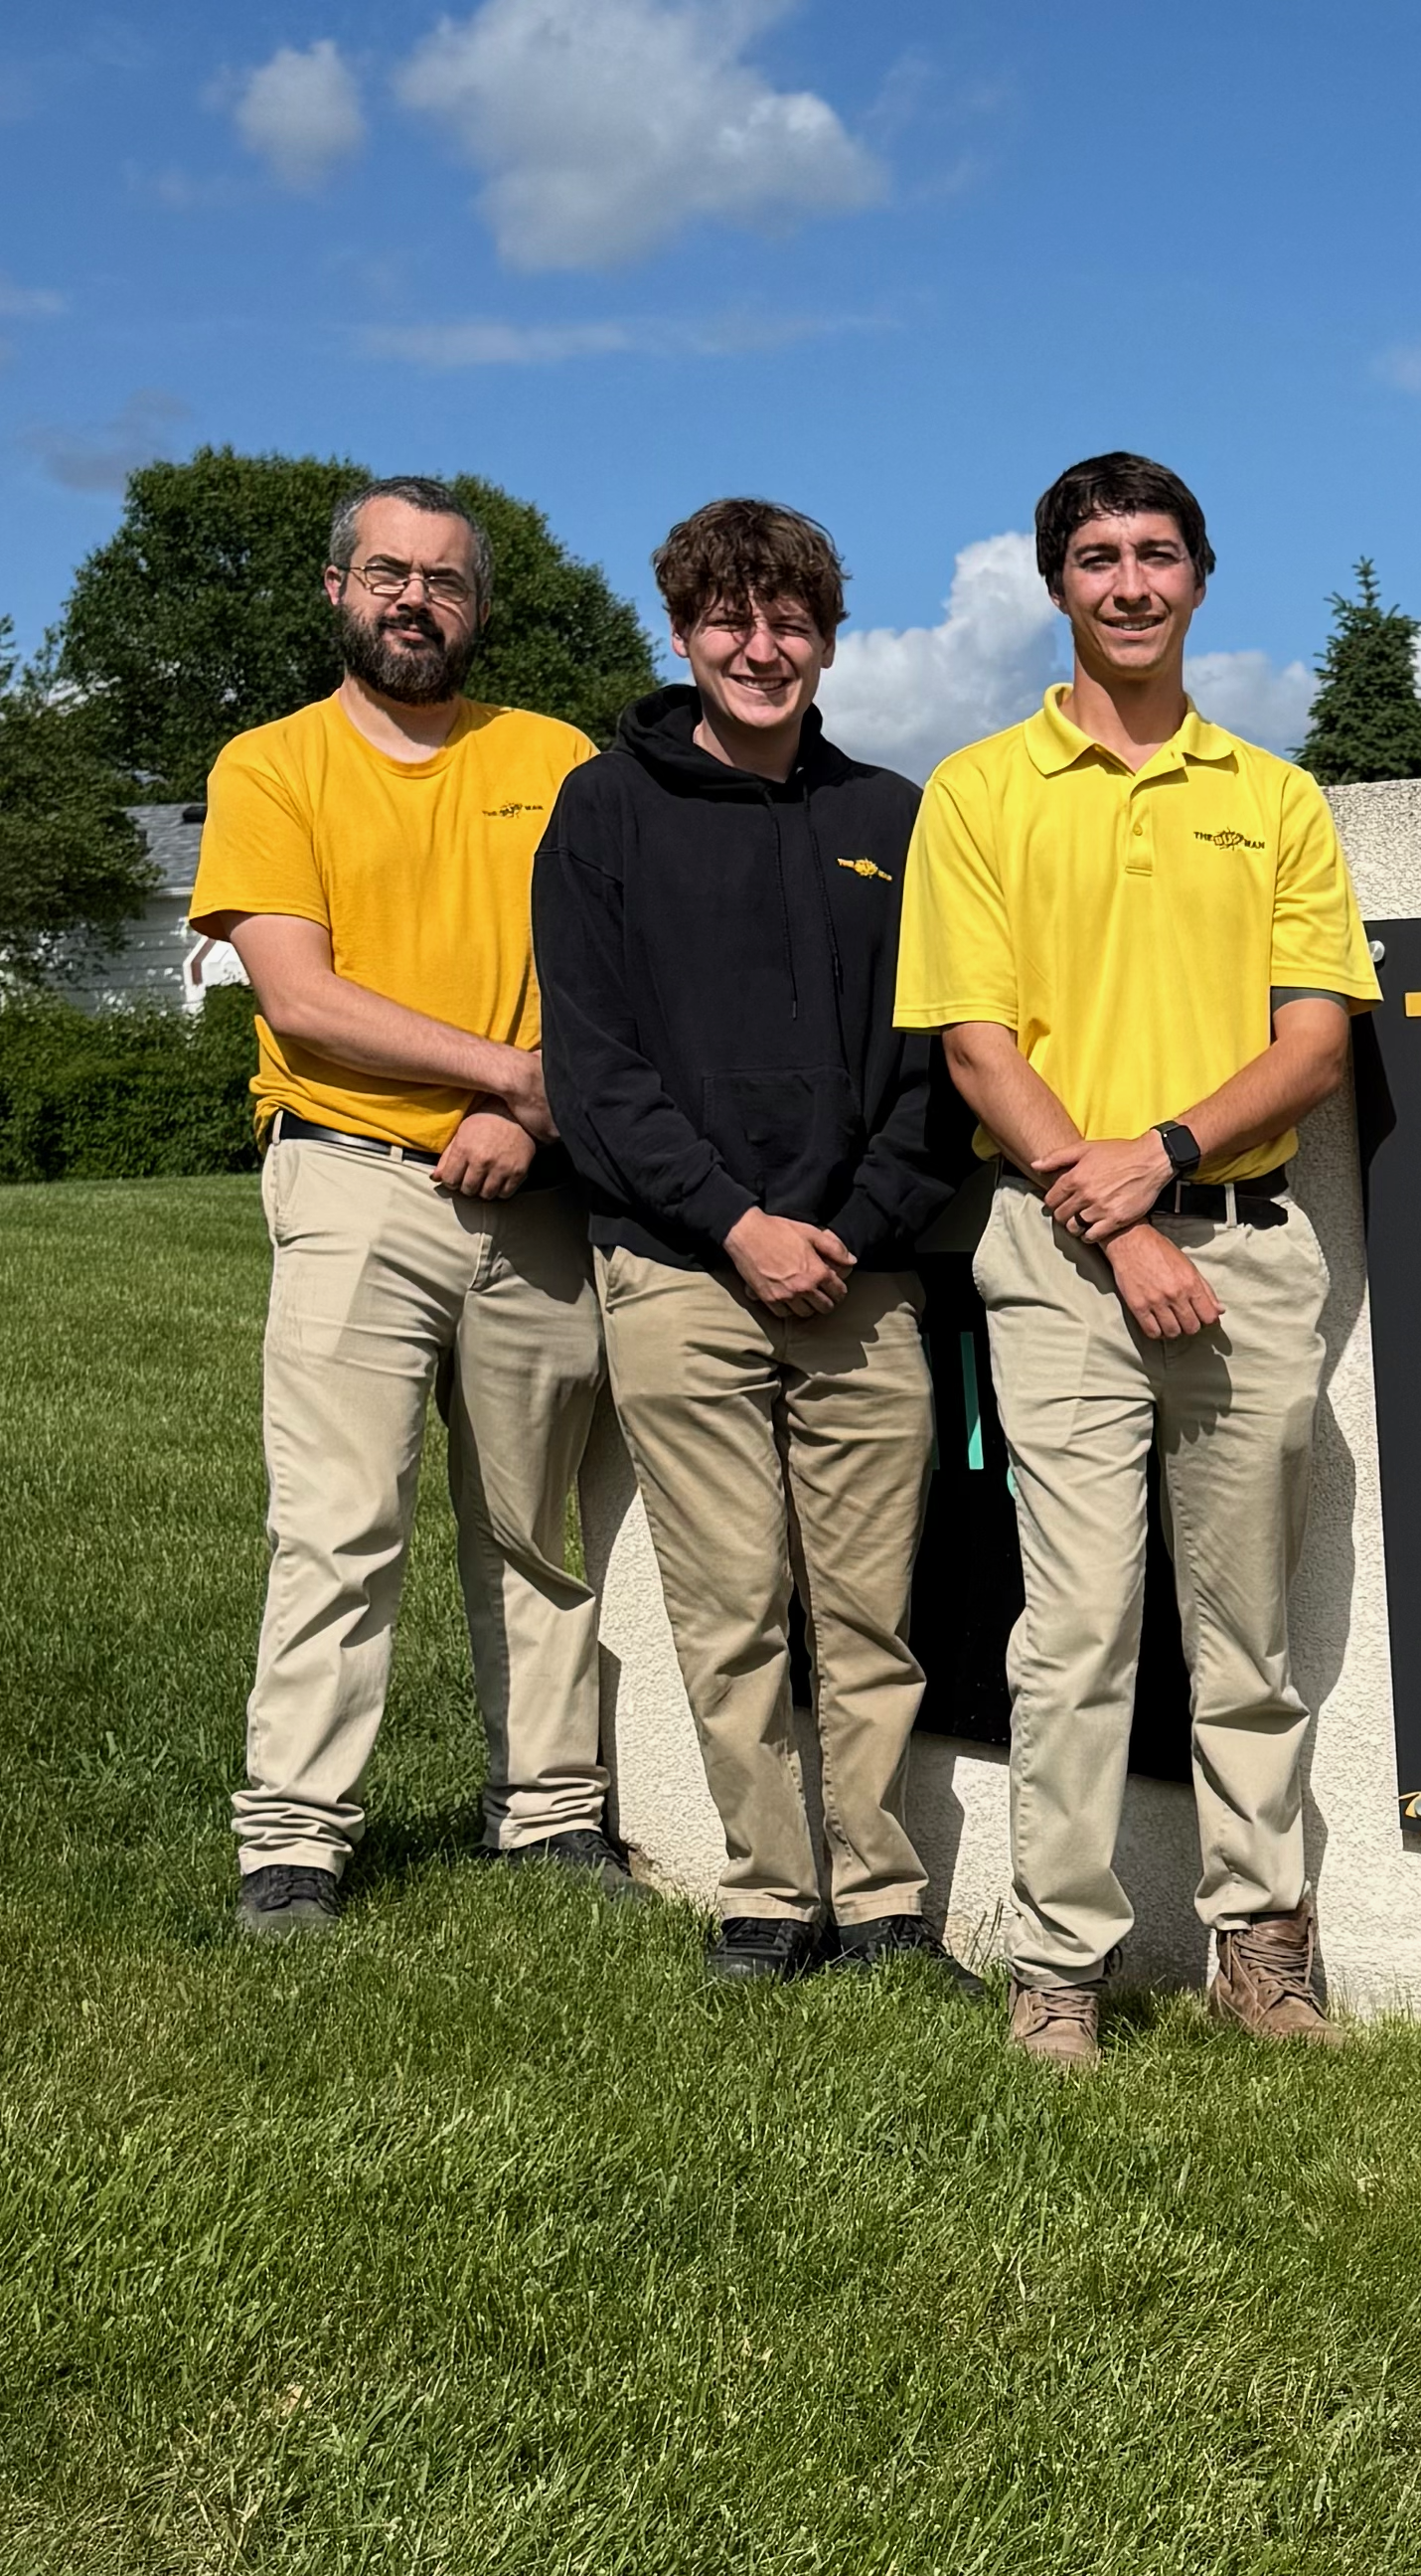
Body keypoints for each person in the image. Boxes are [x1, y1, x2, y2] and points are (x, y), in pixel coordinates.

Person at [894, 451, 1378, 2065]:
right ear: (1056, 585)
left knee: (1246, 1644)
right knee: (1079, 1631)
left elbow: (1312, 1046)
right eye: (1095, 556)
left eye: (1156, 554)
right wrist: (1107, 1211)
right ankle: (1060, 1969)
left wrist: (1162, 1163)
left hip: (1240, 1246)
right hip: (1051, 1256)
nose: (1127, 583)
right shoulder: (978, 792)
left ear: (1199, 576)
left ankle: (1262, 1953)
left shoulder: (1274, 797)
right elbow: (975, 1048)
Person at [534, 498, 976, 1990]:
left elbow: (936, 1069)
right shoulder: (605, 808)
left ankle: (887, 1904)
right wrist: (737, 1224)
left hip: (863, 1280)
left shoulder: (893, 821)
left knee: (870, 1615)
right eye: (729, 619)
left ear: (828, 641)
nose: (761, 647)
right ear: (680, 632)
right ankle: (766, 1899)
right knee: (728, 1612)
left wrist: (844, 1231)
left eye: (791, 622)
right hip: (676, 1271)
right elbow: (595, 1070)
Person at [191, 475, 622, 1936]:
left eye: (443, 580)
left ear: (480, 605)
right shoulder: (271, 765)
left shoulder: (559, 757)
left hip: (538, 1200)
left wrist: (528, 1113)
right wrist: (507, 1079)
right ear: (336, 590)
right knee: (335, 1521)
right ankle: (294, 1843)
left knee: (536, 1527)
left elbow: (613, 972)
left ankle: (552, 1815)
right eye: (387, 575)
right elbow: (300, 996)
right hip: (355, 1178)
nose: (413, 601)